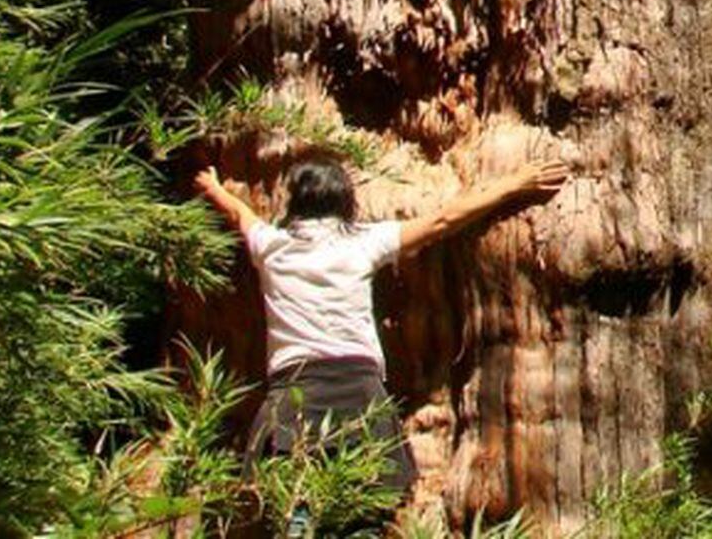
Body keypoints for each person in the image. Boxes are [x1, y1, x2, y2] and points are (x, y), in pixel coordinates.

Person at [193, 151, 568, 530]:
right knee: (367, 510)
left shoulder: (272, 247)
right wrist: (514, 183)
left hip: (296, 395)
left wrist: (211, 187)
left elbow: (240, 214)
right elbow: (443, 219)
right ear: (344, 199)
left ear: (295, 201)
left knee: (299, 504)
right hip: (358, 392)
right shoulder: (363, 242)